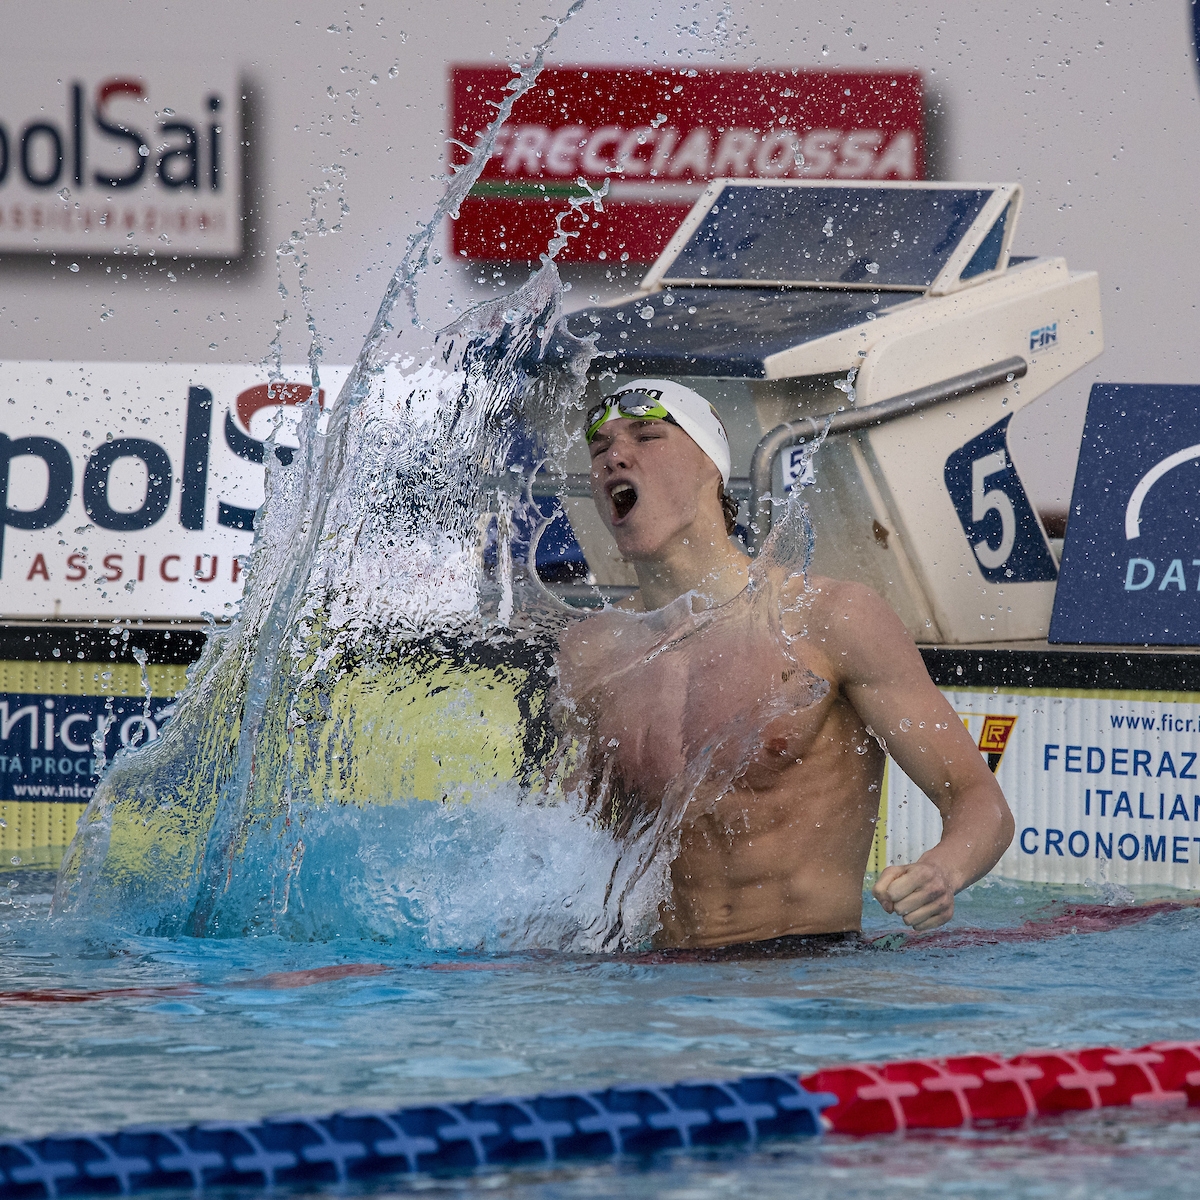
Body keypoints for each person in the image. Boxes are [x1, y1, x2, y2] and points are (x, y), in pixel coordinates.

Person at [556, 378, 1014, 953]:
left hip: (803, 972)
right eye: (600, 450)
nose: (615, 456)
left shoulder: (826, 619)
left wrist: (943, 871)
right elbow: (575, 849)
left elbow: (978, 801)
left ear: (710, 467)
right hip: (655, 981)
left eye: (646, 435)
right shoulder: (591, 654)